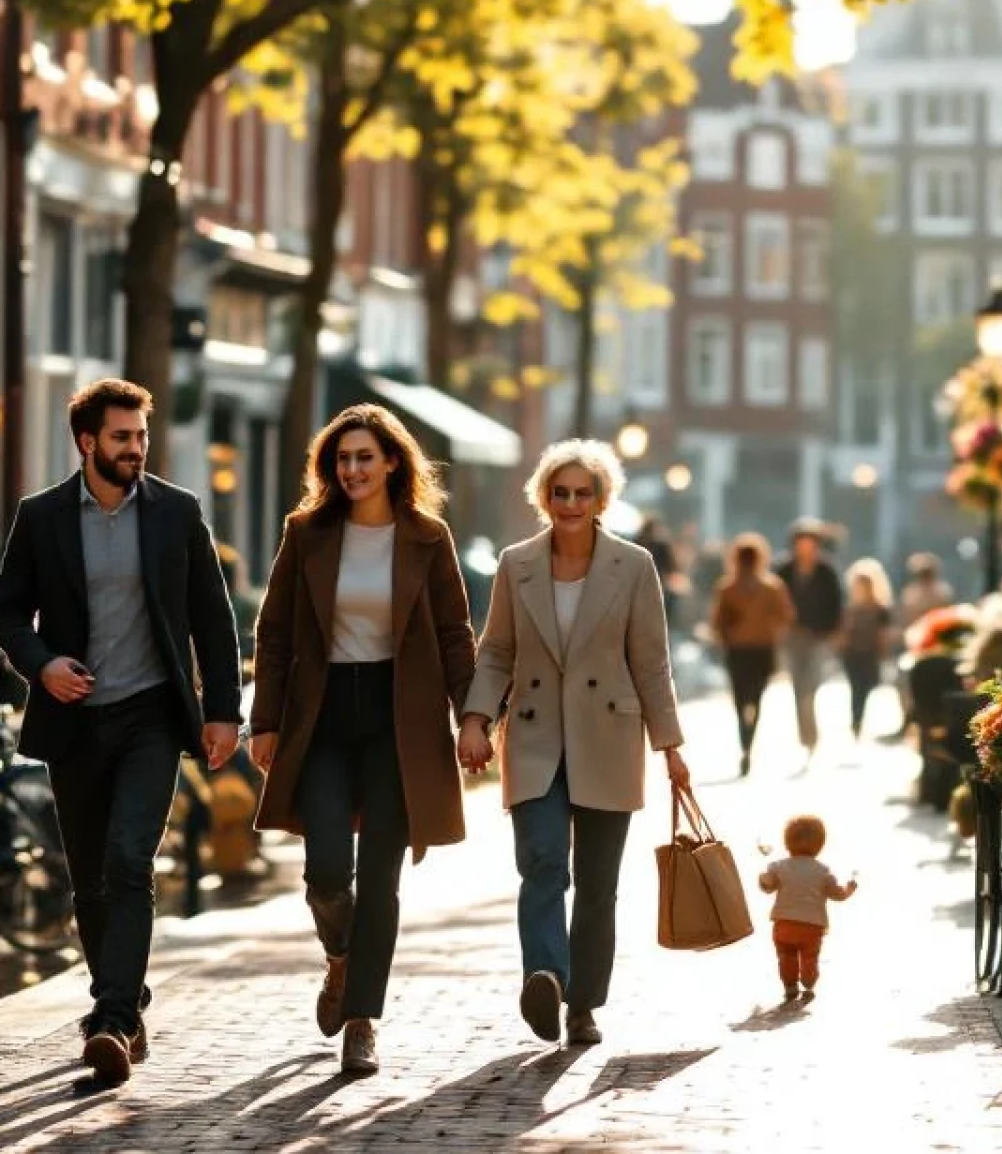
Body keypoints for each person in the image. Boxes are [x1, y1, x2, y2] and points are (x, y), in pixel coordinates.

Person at [0, 378, 243, 1087]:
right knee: (90, 883)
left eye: (141, 437)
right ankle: (127, 1007)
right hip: (74, 721)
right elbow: (7, 613)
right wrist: (42, 667)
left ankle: (107, 1019)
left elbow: (211, 619)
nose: (137, 449)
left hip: (152, 717)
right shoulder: (40, 518)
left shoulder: (176, 513)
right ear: (87, 442)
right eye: (122, 438)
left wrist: (223, 711)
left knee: (131, 862)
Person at [245, 405, 476, 1077]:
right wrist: (265, 721)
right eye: (341, 459)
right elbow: (276, 631)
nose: (351, 469)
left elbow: (457, 633)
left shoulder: (428, 538)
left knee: (381, 877)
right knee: (324, 874)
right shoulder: (307, 533)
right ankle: (341, 957)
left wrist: (473, 715)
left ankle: (361, 1021)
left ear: (392, 463)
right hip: (322, 720)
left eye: (364, 458)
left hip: (398, 722)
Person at [458, 438, 691, 1048]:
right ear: (544, 497)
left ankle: (584, 1005)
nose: (570, 503)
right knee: (540, 863)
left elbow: (651, 661)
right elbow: (498, 650)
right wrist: (476, 718)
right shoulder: (517, 563)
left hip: (609, 735)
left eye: (582, 493)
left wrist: (671, 745)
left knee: (597, 881)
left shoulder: (634, 565)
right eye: (559, 493)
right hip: (534, 735)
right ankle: (547, 976)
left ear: (600, 500)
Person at [709, 532, 795, 777]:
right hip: (757, 650)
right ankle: (748, 742)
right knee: (753, 699)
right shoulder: (766, 587)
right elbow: (786, 617)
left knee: (743, 699)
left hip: (743, 650)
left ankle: (745, 743)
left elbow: (716, 623)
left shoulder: (731, 587)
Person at [758, 814, 858, 1001]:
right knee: (809, 955)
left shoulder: (778, 866)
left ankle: (789, 985)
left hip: (784, 923)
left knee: (786, 954)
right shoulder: (822, 871)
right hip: (812, 926)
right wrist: (849, 889)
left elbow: (768, 886)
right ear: (820, 845)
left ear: (787, 842)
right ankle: (808, 980)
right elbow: (837, 893)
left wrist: (763, 879)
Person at [773, 522, 845, 761]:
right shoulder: (783, 569)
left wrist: (835, 632)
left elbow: (837, 603)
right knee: (798, 686)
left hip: (818, 636)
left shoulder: (826, 571)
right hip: (793, 636)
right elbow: (774, 599)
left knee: (811, 686)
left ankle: (811, 735)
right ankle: (806, 737)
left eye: (810, 543)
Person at [840, 559, 893, 740]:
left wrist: (883, 652)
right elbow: (843, 632)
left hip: (871, 654)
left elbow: (883, 633)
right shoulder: (850, 609)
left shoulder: (880, 609)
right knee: (856, 688)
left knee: (866, 686)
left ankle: (858, 718)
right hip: (853, 654)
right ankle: (856, 719)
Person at [898, 552, 954, 628]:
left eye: (927, 574)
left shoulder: (942, 593)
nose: (924, 578)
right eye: (922, 574)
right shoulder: (910, 595)